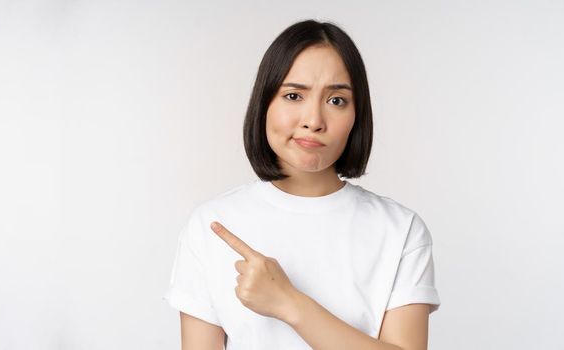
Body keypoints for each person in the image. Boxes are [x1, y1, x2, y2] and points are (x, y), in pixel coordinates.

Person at [163, 19, 441, 350]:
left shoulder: (400, 230)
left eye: (336, 100)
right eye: (293, 95)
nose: (313, 121)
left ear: (357, 115)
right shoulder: (211, 226)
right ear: (264, 103)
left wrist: (289, 304)